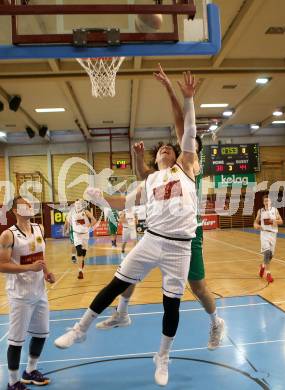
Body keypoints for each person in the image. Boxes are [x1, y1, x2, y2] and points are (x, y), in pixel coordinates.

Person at [54, 71, 198, 387]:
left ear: (177, 156)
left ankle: (162, 356)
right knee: (116, 283)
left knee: (171, 305)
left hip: (180, 246)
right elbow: (122, 204)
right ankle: (80, 330)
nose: (167, 151)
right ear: (155, 158)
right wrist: (98, 196)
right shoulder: (150, 181)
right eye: (162, 151)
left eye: (170, 150)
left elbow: (186, 130)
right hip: (153, 239)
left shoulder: (186, 168)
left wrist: (184, 97)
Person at [97, 64, 225, 351]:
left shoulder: (191, 163)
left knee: (198, 288)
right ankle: (122, 311)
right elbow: (144, 174)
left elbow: (182, 124)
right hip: (159, 231)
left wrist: (171, 90)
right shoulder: (167, 170)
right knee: (132, 270)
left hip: (188, 235)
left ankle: (216, 321)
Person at [0, 196, 55, 390]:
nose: (29, 206)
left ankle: (30, 371)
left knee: (41, 334)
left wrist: (46, 272)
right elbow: (1, 265)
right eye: (24, 204)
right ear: (15, 210)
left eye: (30, 204)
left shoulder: (40, 228)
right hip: (19, 296)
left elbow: (41, 257)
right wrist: (29, 268)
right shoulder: (8, 235)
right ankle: (13, 381)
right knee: (16, 340)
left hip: (39, 291)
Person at [254, 194, 283, 283]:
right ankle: (268, 273)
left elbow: (281, 221)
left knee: (271, 255)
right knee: (267, 253)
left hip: (273, 234)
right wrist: (257, 226)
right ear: (263, 202)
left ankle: (263, 266)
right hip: (264, 234)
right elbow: (255, 223)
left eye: (268, 201)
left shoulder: (275, 210)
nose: (267, 202)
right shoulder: (260, 211)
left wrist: (275, 221)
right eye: (265, 201)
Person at [66, 199, 96, 279]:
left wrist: (89, 226)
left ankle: (81, 268)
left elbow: (94, 220)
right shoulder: (71, 212)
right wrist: (66, 229)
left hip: (85, 235)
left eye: (79, 203)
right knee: (79, 252)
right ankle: (80, 271)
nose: (78, 205)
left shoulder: (86, 212)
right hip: (76, 234)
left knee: (83, 254)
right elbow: (67, 221)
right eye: (76, 203)